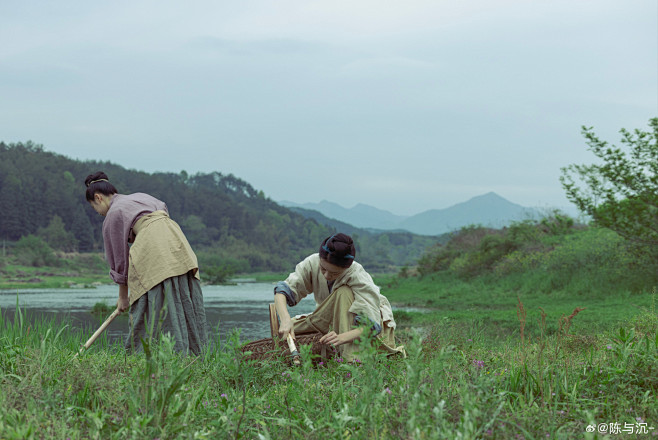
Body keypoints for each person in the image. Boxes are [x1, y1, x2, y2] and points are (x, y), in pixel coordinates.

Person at [85, 171, 208, 355]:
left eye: (95, 208)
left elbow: (120, 261)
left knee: (149, 300)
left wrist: (123, 297)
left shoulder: (114, 213)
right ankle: (192, 354)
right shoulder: (140, 197)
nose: (98, 213)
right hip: (177, 240)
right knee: (180, 295)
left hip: (153, 245)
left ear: (98, 198)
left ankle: (146, 356)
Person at [274, 233, 404, 362]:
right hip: (330, 319)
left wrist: (342, 337)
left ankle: (351, 360)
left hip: (359, 326)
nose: (326, 275)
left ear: (346, 268)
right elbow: (283, 290)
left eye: (334, 273)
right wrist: (285, 320)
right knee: (285, 330)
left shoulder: (357, 275)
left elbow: (371, 326)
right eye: (323, 269)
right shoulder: (312, 262)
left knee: (343, 292)